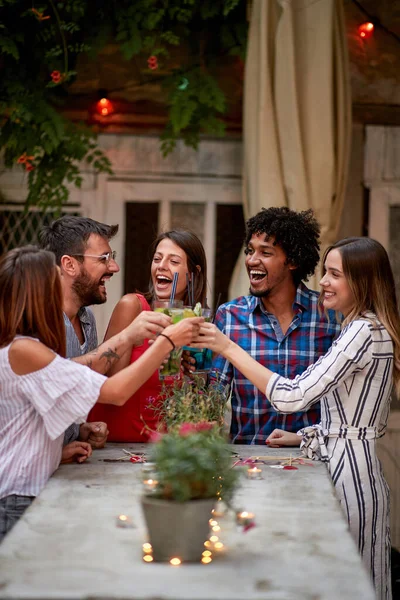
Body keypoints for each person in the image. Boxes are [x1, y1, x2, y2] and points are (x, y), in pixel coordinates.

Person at [194, 237, 400, 600]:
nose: (323, 282)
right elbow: (347, 420)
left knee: (351, 587)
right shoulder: (361, 328)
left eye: (335, 274)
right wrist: (302, 437)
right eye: (325, 273)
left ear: (361, 281)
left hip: (348, 478)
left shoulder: (361, 331)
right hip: (348, 467)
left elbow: (292, 397)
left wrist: (227, 346)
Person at [0, 246, 202, 542]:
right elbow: (115, 392)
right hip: (17, 498)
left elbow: (25, 421)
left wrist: (56, 451)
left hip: (24, 489)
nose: (63, 288)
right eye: (57, 280)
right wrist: (166, 342)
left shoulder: (21, 347)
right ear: (38, 294)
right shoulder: (24, 350)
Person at [209, 206, 340, 444]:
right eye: (250, 250)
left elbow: (340, 404)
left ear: (291, 261)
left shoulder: (329, 317)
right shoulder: (229, 316)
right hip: (247, 463)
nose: (251, 260)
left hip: (311, 462)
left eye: (265, 252)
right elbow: (212, 397)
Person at [39, 216, 173, 447]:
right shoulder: (39, 318)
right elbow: (54, 379)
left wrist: (78, 432)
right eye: (104, 258)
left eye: (112, 258)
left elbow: (81, 387)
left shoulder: (86, 319)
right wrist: (129, 336)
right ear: (70, 265)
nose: (114, 267)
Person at [88, 229, 208, 441]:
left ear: (193, 274)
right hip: (116, 446)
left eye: (173, 261)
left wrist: (189, 374)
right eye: (157, 259)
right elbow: (110, 381)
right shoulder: (133, 307)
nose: (161, 266)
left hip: (160, 449)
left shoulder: (189, 323)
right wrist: (160, 349)